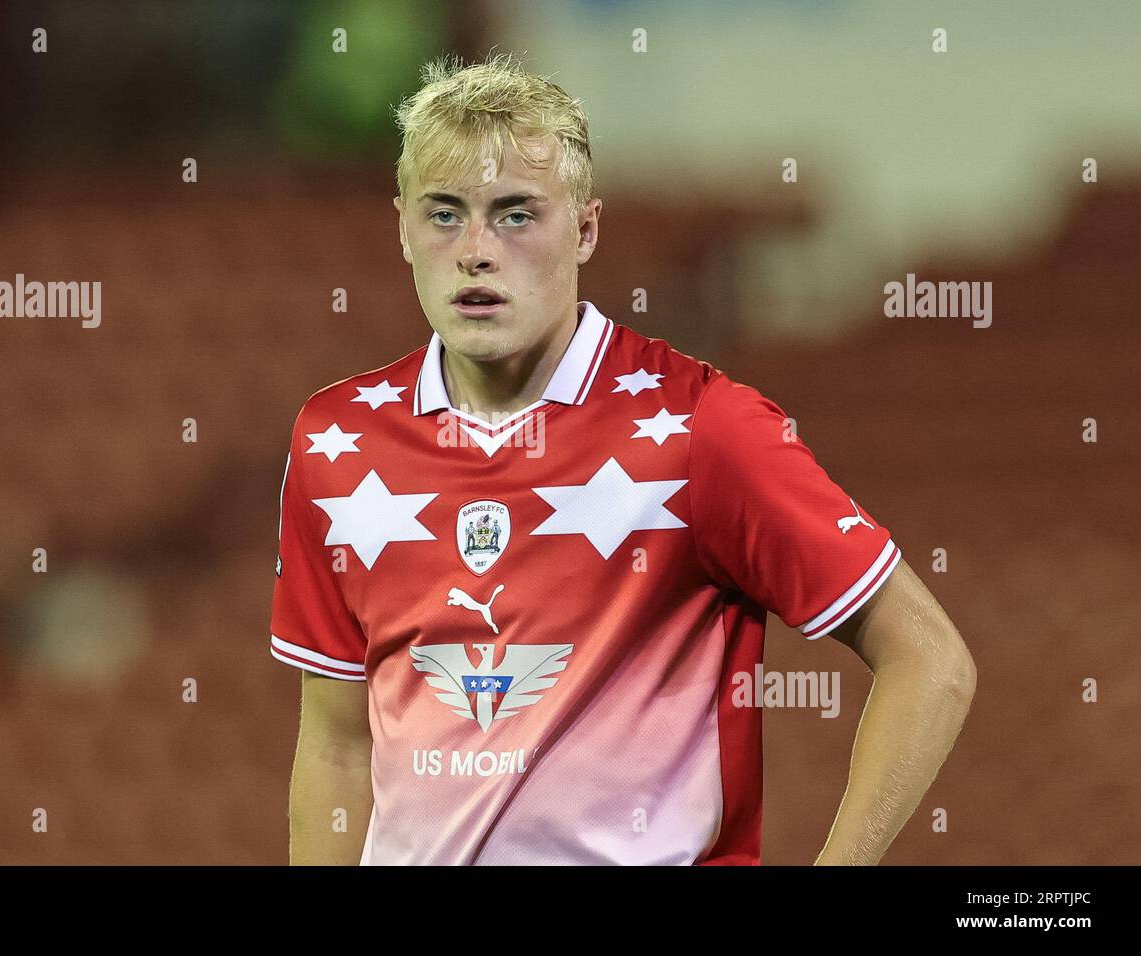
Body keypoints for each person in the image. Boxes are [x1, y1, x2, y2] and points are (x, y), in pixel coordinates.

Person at [270, 52, 976, 865]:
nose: (475, 250)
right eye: (443, 214)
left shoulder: (702, 428)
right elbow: (334, 746)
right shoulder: (338, 443)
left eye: (515, 214)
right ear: (401, 226)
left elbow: (930, 660)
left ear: (587, 228)